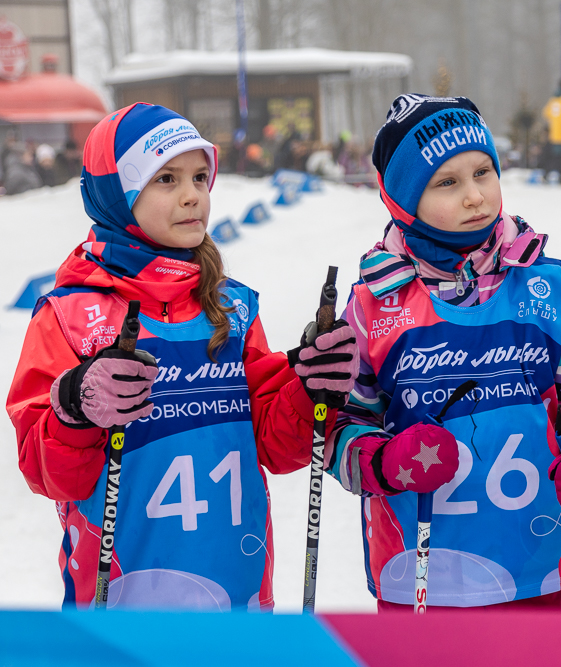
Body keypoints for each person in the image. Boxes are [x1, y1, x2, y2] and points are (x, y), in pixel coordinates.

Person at [6, 103, 360, 611]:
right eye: (166, 179)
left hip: (235, 597)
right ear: (117, 196)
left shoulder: (232, 308)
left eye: (200, 176)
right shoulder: (69, 314)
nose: (193, 194)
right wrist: (76, 404)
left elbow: (276, 446)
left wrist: (308, 388)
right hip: (121, 601)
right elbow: (48, 472)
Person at [329, 94, 561, 612]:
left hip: (536, 572)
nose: (476, 197)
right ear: (403, 199)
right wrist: (387, 461)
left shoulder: (546, 291)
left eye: (483, 172)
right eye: (447, 182)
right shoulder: (372, 308)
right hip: (419, 578)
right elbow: (338, 432)